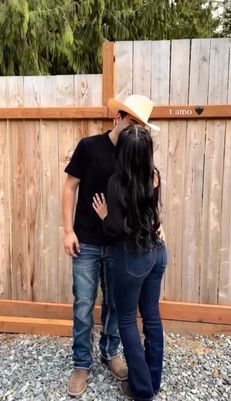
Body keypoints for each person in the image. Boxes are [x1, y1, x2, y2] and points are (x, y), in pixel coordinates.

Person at [62, 95, 159, 397]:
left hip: (122, 246)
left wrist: (158, 225)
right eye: (132, 124)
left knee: (117, 306)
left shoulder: (136, 154)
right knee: (83, 305)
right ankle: (81, 363)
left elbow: (147, 197)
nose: (136, 132)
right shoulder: (88, 147)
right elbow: (69, 188)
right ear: (117, 119)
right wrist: (68, 231)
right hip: (87, 242)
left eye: (141, 128)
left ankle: (110, 352)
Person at [93, 124, 168, 401]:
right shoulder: (154, 176)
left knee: (126, 319)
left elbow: (114, 229)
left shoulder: (116, 182)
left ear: (123, 153)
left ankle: (141, 389)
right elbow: (149, 218)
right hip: (158, 252)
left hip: (133, 256)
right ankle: (154, 381)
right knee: (152, 317)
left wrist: (103, 215)